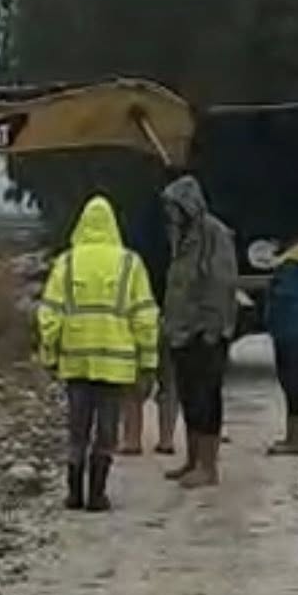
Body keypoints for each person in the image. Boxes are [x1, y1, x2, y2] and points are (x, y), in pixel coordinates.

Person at [37, 194, 159, 512]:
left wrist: (50, 356)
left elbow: (49, 315)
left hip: (75, 362)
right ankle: (97, 495)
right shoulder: (130, 264)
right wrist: (148, 363)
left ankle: (74, 493)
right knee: (106, 431)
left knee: (77, 429)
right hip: (116, 365)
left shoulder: (67, 262)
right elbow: (145, 317)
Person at [161, 174, 238, 488]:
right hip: (182, 331)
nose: (169, 213)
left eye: (173, 207)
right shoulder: (182, 235)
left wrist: (211, 328)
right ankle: (192, 460)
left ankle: (208, 466)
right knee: (190, 397)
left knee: (207, 398)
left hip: (204, 332)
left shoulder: (213, 234)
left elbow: (221, 283)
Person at [119, 188, 178, 457]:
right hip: (173, 316)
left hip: (141, 316)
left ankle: (131, 439)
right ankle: (166, 440)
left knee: (134, 383)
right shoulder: (182, 239)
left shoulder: (135, 241)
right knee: (170, 383)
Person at [265, 234, 298, 455]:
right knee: (296, 384)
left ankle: (296, 440)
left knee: (294, 384)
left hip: (291, 330)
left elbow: (282, 295)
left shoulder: (292, 265)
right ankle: (296, 438)